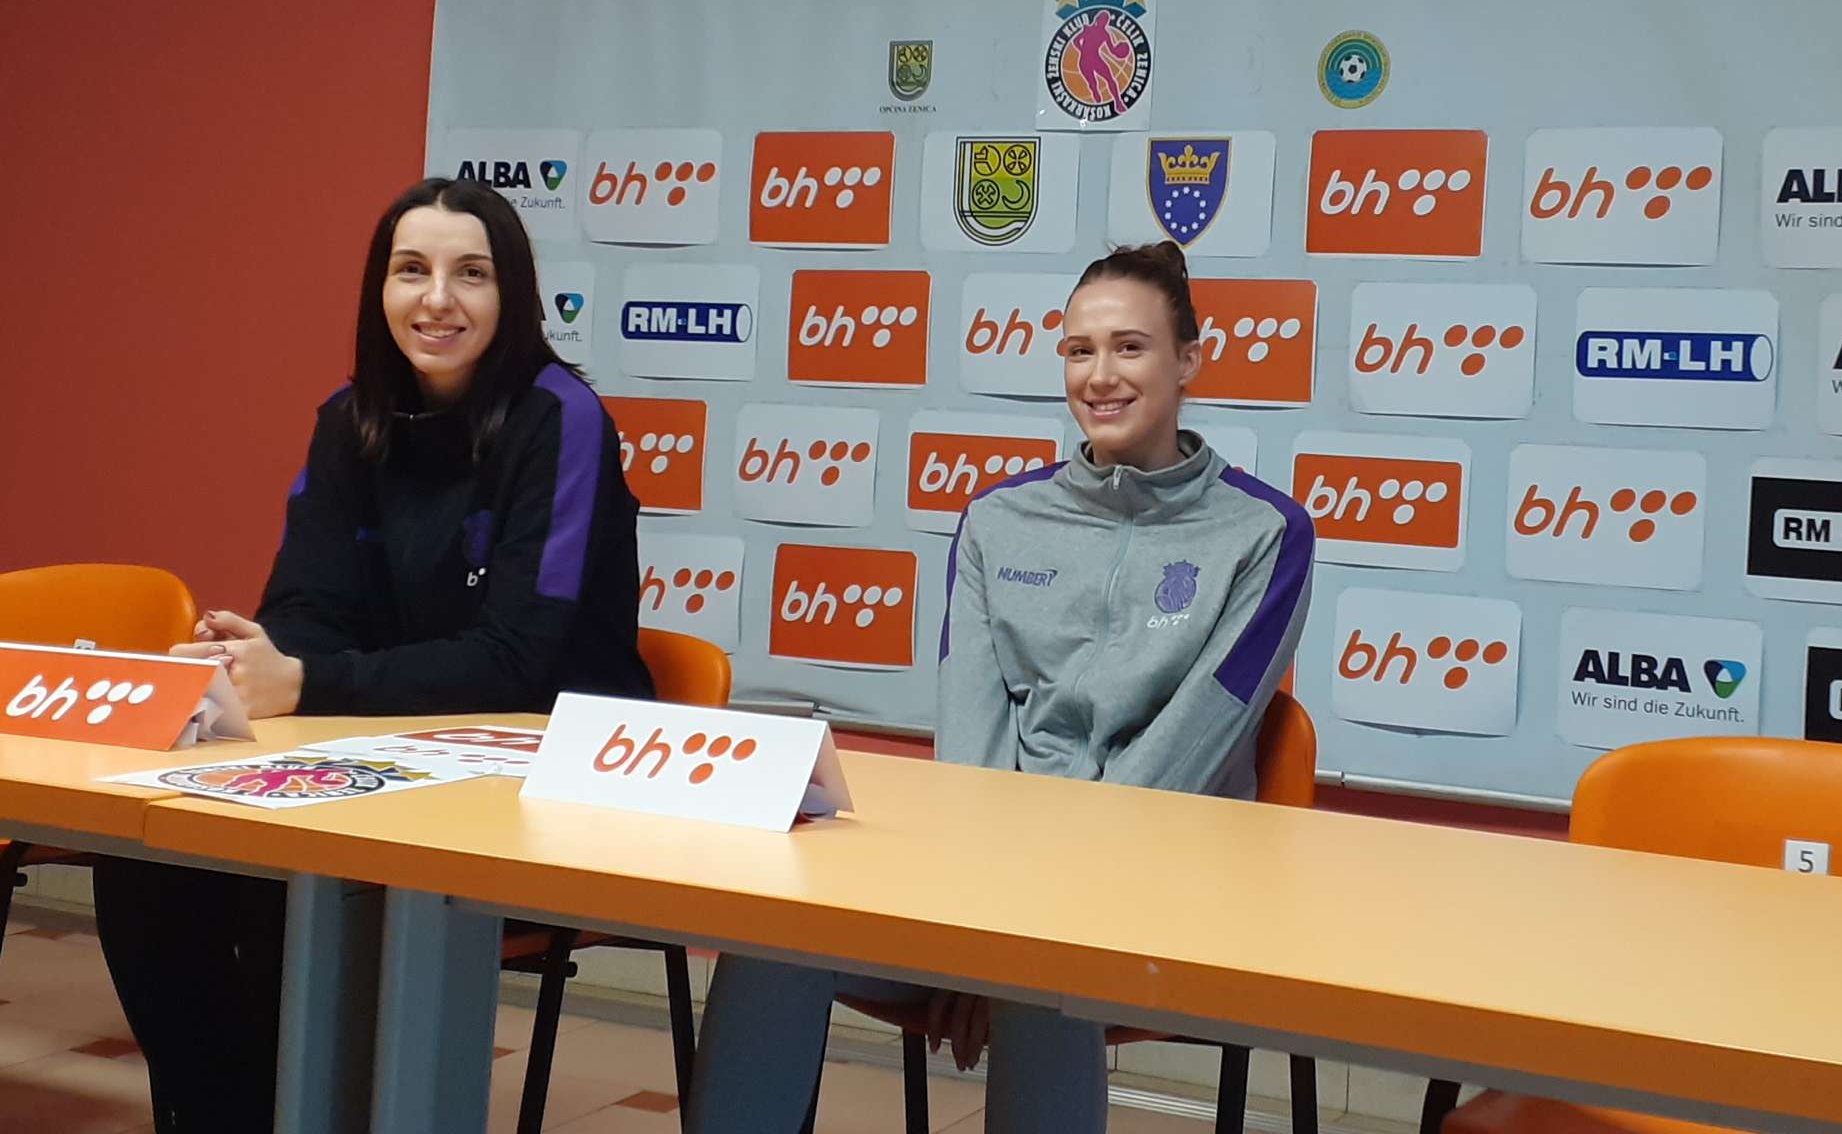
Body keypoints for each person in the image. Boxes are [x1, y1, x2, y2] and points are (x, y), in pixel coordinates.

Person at [683, 240, 1313, 1134]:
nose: (1100, 375)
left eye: (1130, 347)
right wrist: (971, 918)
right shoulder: (996, 519)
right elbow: (971, 750)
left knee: (1046, 964)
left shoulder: (1267, 534)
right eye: (1079, 350)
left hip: (1159, 881)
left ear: (1188, 361)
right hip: (986, 881)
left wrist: (1006, 935)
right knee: (775, 928)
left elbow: (1177, 766)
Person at [94, 177, 652, 1133]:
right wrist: (262, 661)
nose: (437, 299)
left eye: (470, 273)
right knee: (149, 860)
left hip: (542, 760)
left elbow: (519, 658)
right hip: (384, 746)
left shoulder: (563, 419)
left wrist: (309, 680)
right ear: (379, 291)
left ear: (512, 294)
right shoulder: (349, 415)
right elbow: (307, 604)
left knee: (288, 892)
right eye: (411, 270)